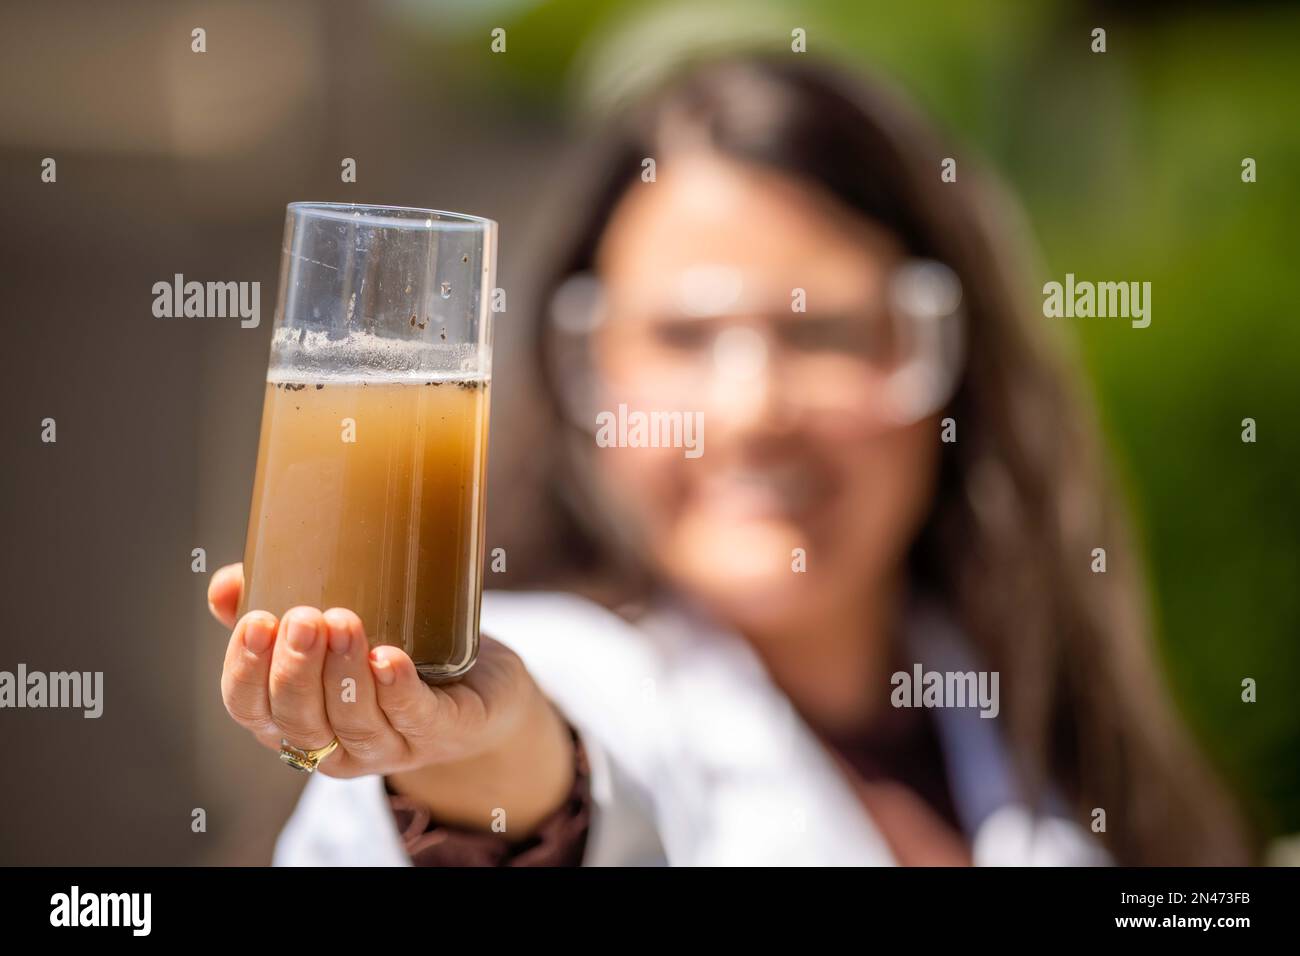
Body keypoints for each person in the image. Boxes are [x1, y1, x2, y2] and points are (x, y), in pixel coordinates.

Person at [207, 55, 1249, 865]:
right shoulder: (564, 674)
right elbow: (534, 780)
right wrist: (460, 749)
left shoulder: (1044, 727)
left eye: (826, 331)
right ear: (583, 376)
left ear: (944, 358)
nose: (751, 411)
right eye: (681, 337)